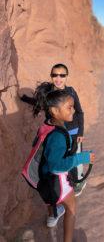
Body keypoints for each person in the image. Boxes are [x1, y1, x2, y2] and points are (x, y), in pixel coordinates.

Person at [20, 63, 87, 226]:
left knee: (72, 163)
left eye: (62, 75)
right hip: (56, 133)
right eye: (55, 75)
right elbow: (40, 102)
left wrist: (80, 133)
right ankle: (59, 200)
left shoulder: (71, 92)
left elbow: (79, 112)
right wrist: (26, 99)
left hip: (72, 133)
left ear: (67, 76)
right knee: (56, 165)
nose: (58, 78)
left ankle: (73, 186)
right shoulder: (49, 92)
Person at [34, 86, 95, 242]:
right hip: (57, 180)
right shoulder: (58, 136)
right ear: (54, 111)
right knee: (72, 209)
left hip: (45, 177)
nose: (73, 111)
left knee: (54, 201)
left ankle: (53, 214)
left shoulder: (47, 124)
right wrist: (83, 158)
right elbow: (57, 166)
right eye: (69, 107)